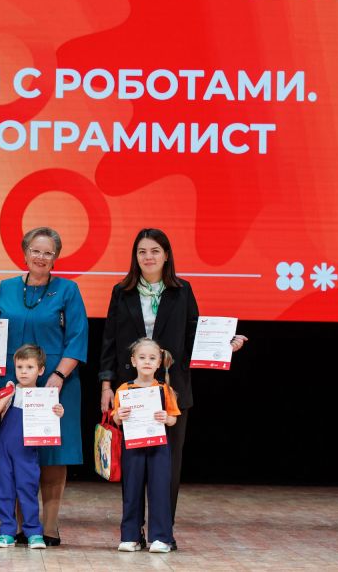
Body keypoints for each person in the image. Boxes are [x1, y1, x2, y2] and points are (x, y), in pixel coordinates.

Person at [99, 228, 247, 544]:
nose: (148, 257)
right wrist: (106, 385)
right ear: (135, 256)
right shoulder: (122, 292)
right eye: (142, 251)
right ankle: (132, 532)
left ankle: (162, 533)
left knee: (168, 467)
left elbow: (195, 335)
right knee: (134, 466)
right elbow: (109, 340)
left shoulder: (181, 290)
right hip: (131, 390)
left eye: (155, 251)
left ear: (166, 255)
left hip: (171, 391)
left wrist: (224, 345)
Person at [0, 227, 87, 546]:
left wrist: (58, 376)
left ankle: (49, 527)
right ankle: (17, 527)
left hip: (56, 381)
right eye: (35, 250)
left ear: (55, 258)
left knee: (53, 453)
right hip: (10, 380)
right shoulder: (5, 288)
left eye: (48, 252)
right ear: (25, 253)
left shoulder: (68, 290)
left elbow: (77, 337)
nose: (40, 257)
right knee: (14, 452)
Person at [0, 345, 63, 550]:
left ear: (40, 370)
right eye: (19, 367)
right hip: (4, 450)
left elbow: (53, 417)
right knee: (3, 490)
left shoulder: (44, 395)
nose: (23, 371)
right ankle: (6, 532)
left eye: (29, 367)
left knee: (28, 490)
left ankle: (34, 533)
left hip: (27, 452)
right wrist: (5, 395)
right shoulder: (10, 389)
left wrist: (58, 410)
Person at [112, 338, 181, 553]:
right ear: (134, 361)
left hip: (158, 446)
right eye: (142, 357)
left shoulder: (164, 389)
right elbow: (116, 418)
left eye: (152, 358)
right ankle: (131, 536)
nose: (147, 362)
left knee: (159, 490)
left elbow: (173, 418)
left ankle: (161, 538)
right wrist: (119, 415)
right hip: (133, 446)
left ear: (159, 362)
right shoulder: (124, 389)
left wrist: (166, 418)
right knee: (131, 490)